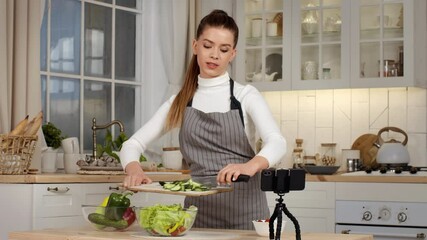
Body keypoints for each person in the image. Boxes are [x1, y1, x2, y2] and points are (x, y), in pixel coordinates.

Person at [120, 9, 286, 230]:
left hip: (246, 215)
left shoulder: (245, 95)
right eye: (208, 46)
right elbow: (131, 145)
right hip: (198, 217)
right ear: (195, 46)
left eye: (223, 49)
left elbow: (277, 142)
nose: (215, 55)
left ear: (232, 54)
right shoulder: (179, 101)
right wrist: (134, 170)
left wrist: (249, 166)